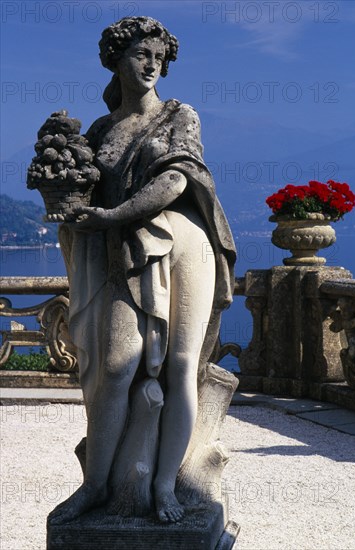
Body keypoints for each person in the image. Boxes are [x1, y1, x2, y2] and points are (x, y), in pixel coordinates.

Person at [48, 16, 236, 525]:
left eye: (159, 56)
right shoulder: (101, 130)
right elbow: (81, 192)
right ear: (115, 60)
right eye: (140, 54)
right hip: (121, 254)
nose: (152, 64)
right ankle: (95, 487)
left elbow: (176, 179)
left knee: (180, 369)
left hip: (184, 246)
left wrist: (111, 216)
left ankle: (164, 484)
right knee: (114, 369)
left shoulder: (180, 115)